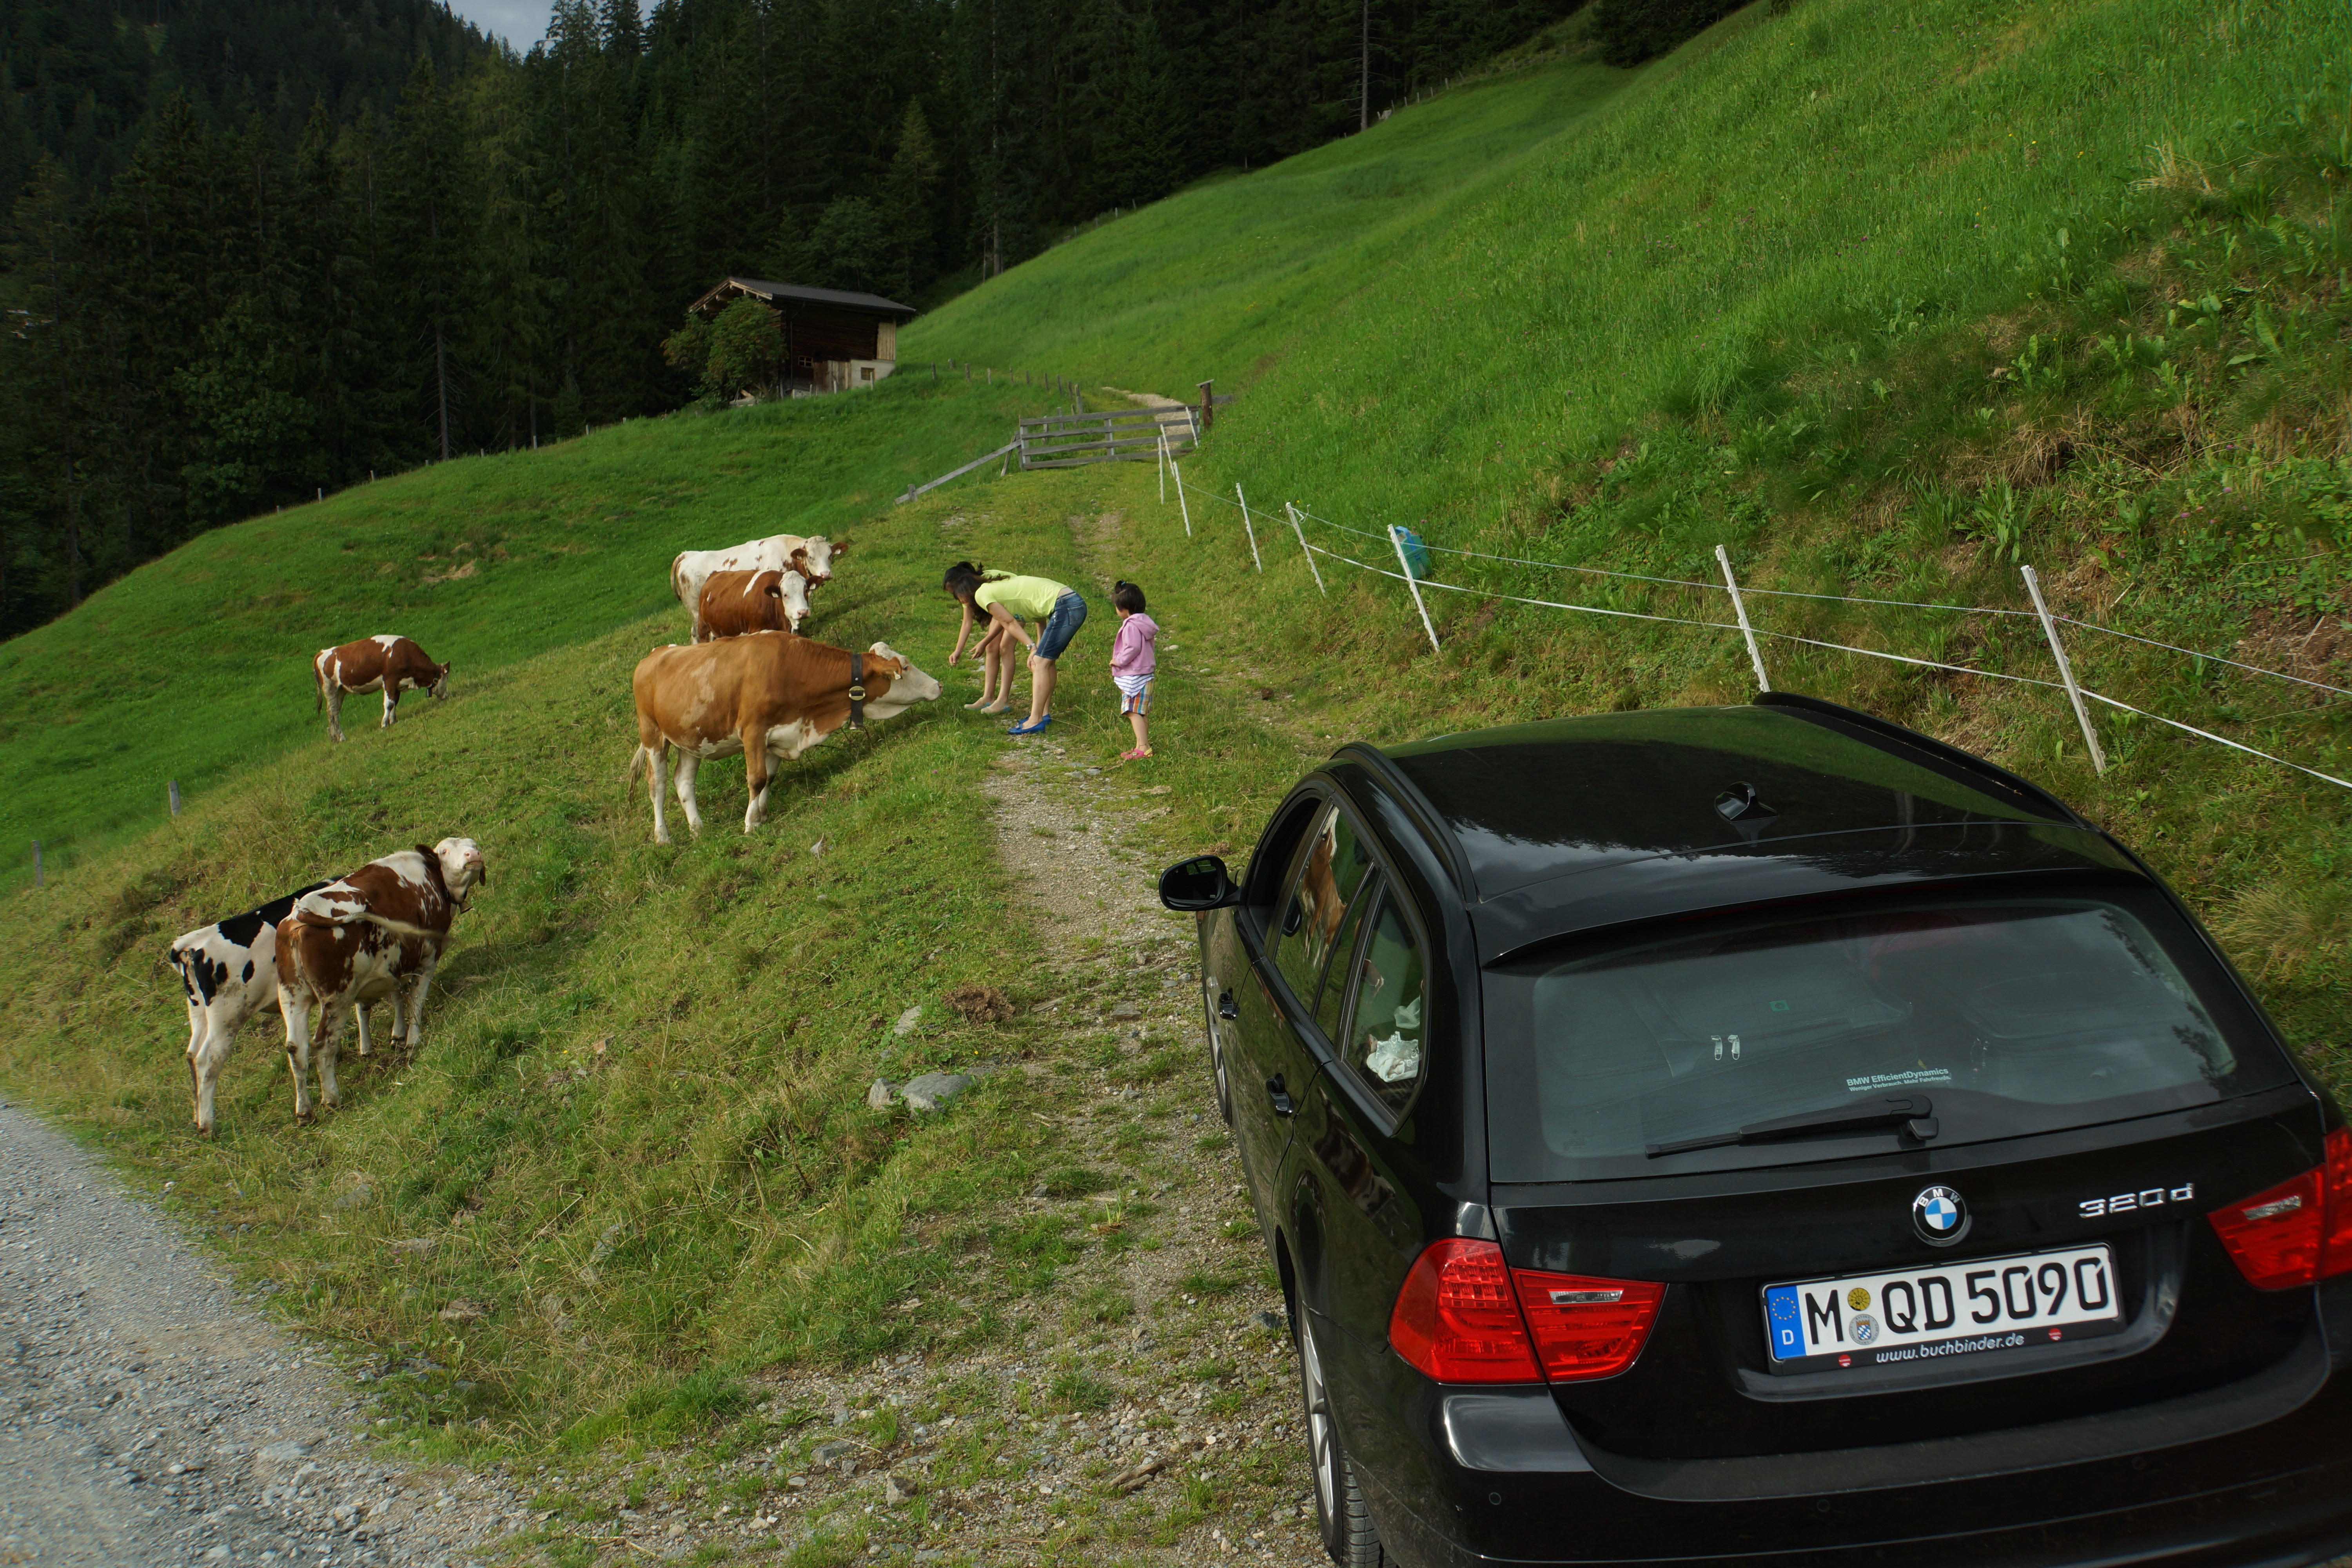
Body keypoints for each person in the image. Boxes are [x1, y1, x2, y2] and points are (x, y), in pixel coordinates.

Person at [942, 561, 1087, 736]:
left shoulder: (982, 594)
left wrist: (1032, 648)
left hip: (1066, 605)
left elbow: (1009, 623)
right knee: (1046, 662)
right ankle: (1043, 714)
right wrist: (1037, 648)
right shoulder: (1001, 591)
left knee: (1040, 663)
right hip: (1069, 602)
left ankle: (1035, 720)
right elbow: (1039, 618)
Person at [947, 581, 1027, 713]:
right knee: (991, 647)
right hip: (1002, 607)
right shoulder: (966, 591)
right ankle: (988, 698)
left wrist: (984, 641)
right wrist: (958, 651)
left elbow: (1005, 619)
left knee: (1006, 646)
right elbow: (967, 622)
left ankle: (1003, 701)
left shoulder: (981, 591)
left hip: (1015, 602)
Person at [1109, 580, 1157, 760]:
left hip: (1134, 675)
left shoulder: (1131, 625)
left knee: (1133, 711)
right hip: (1145, 675)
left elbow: (1132, 648)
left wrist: (1118, 661)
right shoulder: (1144, 623)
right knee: (1141, 711)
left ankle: (1144, 748)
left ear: (1123, 608)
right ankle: (1141, 746)